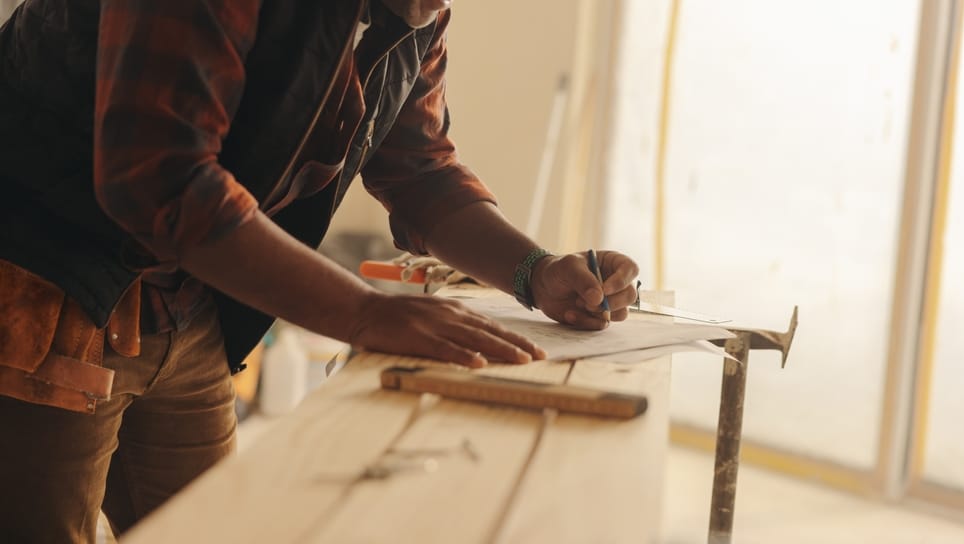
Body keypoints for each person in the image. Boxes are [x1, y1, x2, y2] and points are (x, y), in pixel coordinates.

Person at [0, 0, 640, 541]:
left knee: (215, 527)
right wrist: (364, 312)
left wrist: (536, 270)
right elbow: (163, 181)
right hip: (39, 288)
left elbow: (418, 167)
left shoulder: (415, 16)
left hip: (185, 298)